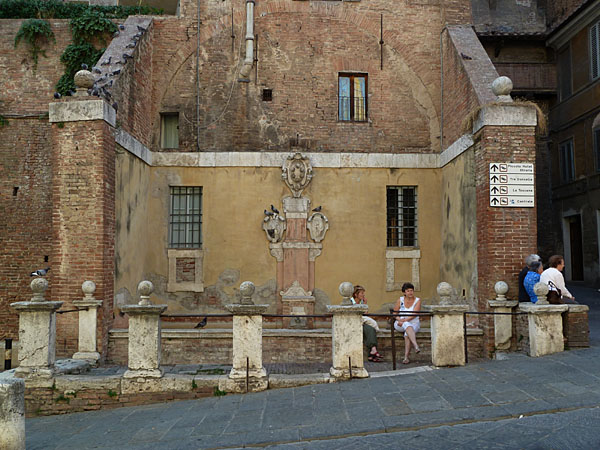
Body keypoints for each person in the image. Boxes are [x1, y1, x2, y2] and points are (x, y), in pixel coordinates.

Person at [351, 285, 383, 362]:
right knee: (370, 329)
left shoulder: (362, 302)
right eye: (361, 293)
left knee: (370, 330)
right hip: (353, 323)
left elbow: (365, 314)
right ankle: (373, 352)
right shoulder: (350, 302)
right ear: (356, 294)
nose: (363, 295)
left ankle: (372, 352)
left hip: (361, 322)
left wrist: (365, 304)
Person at [392, 282, 421, 364]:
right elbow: (394, 313)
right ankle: (415, 345)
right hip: (399, 323)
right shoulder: (400, 300)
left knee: (407, 334)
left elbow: (414, 314)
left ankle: (406, 358)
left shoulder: (417, 300)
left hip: (414, 323)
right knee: (406, 325)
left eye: (411, 290)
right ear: (404, 292)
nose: (410, 292)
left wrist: (404, 321)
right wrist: (399, 319)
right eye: (408, 291)